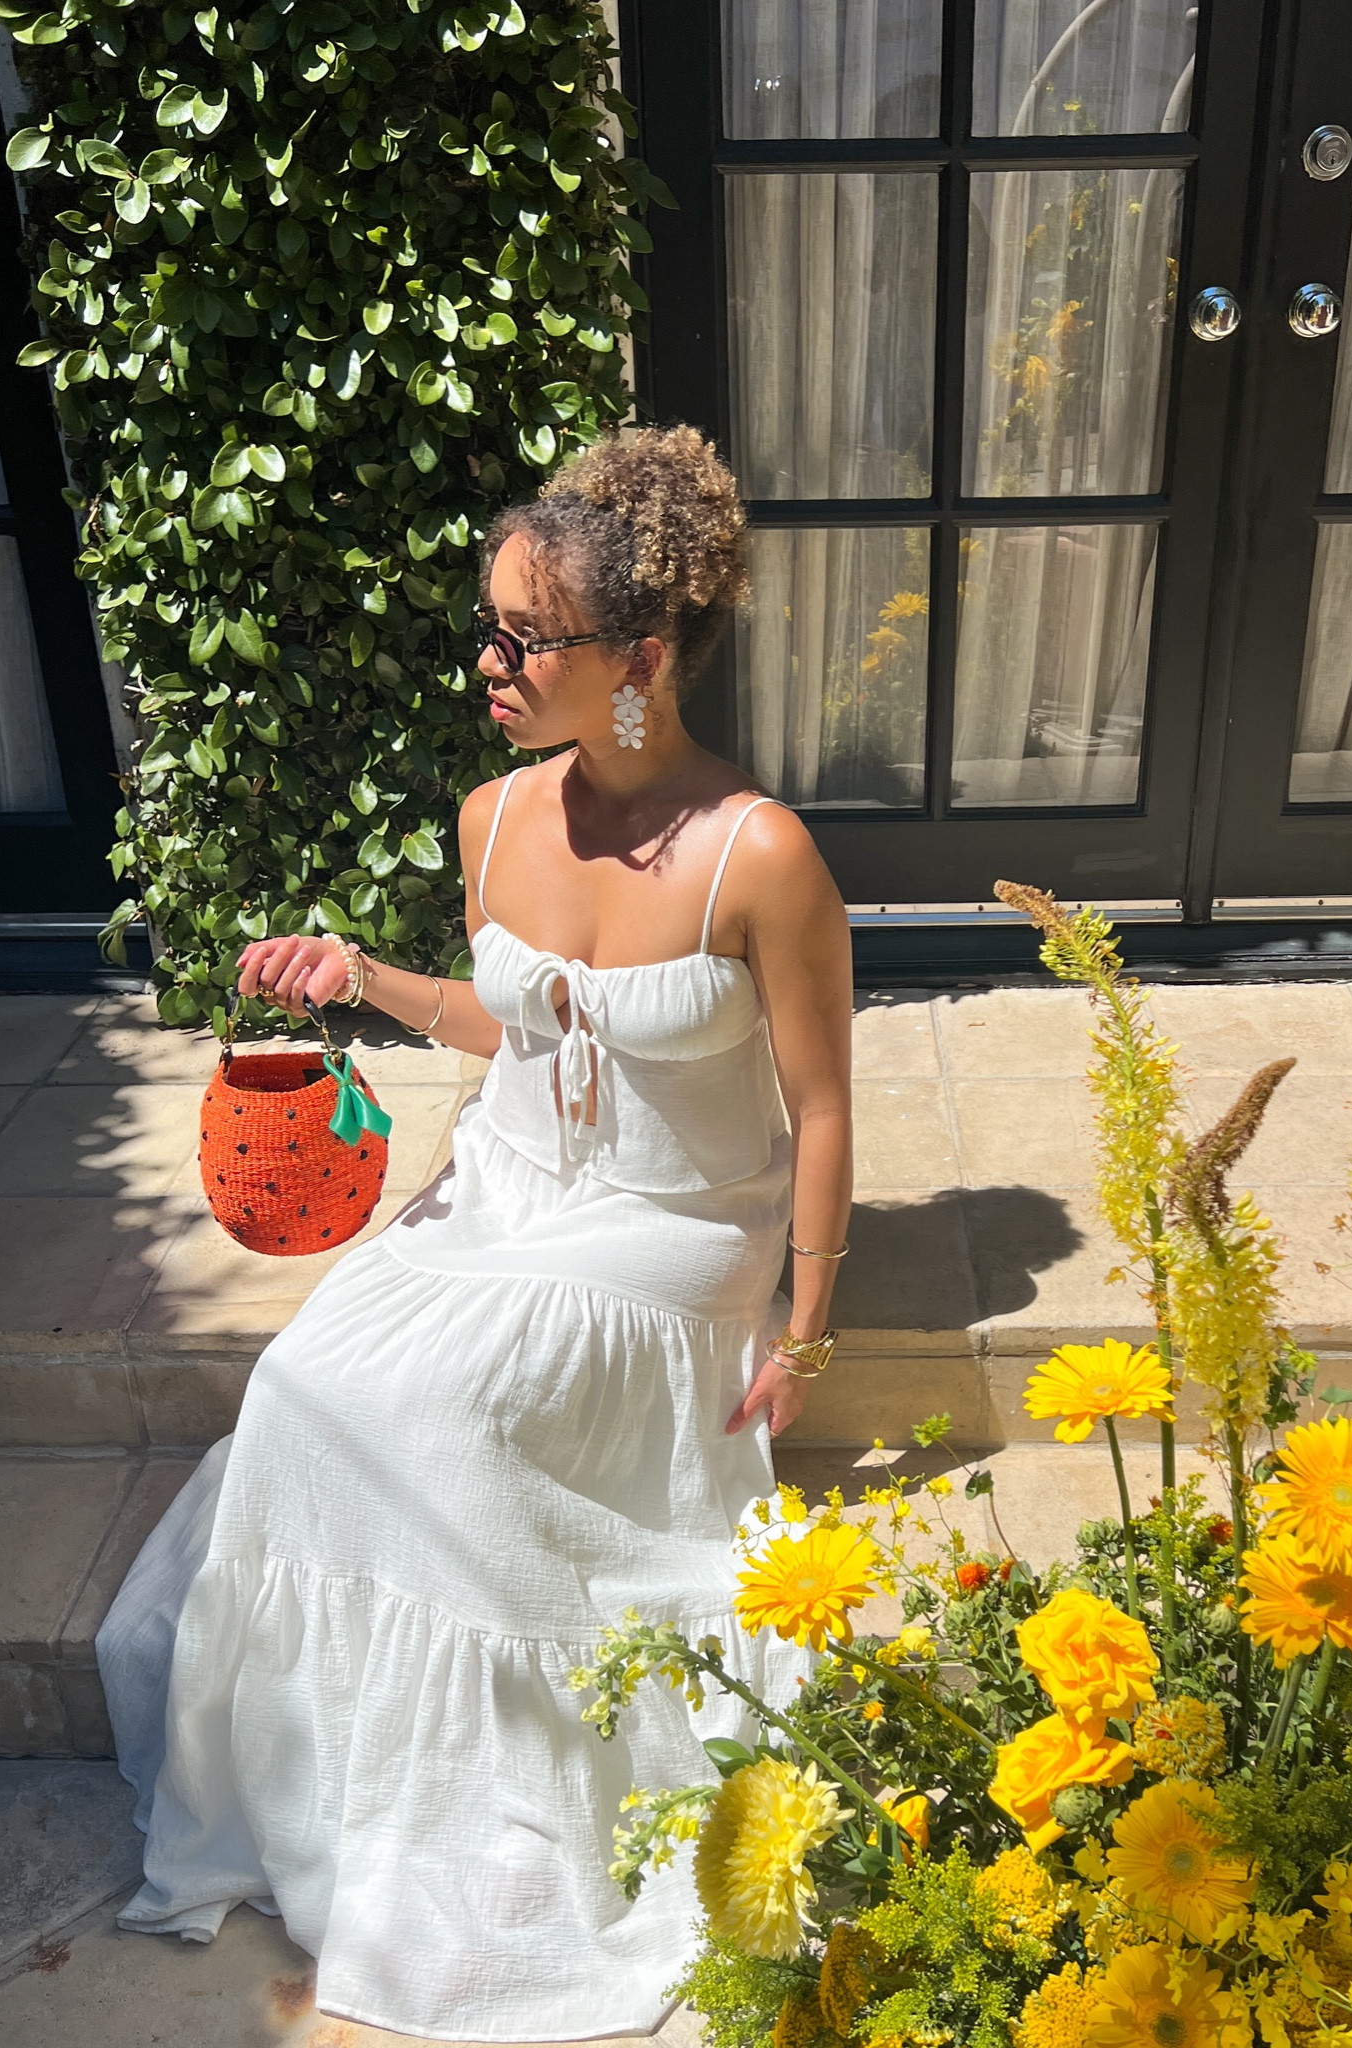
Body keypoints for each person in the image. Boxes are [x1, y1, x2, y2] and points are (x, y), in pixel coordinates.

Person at [96, 425, 855, 2040]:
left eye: (527, 638)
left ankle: (503, 1833)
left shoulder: (760, 854)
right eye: (489, 629)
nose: (489, 664)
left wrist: (805, 1326)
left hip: (665, 1229)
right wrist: (363, 978)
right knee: (305, 1392)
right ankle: (338, 1796)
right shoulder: (492, 818)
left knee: (447, 1424)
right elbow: (516, 1026)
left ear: (640, 659)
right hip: (506, 1190)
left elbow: (821, 1106)